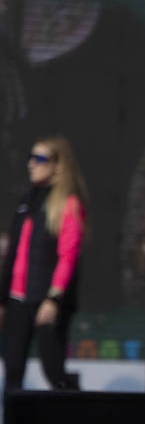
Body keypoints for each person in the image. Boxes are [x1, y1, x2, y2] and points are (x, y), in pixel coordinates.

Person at [0, 135, 87, 391]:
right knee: (13, 369)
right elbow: (14, 255)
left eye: (39, 159)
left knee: (55, 373)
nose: (31, 164)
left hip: (47, 300)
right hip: (17, 300)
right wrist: (2, 301)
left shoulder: (68, 204)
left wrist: (54, 299)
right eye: (31, 158)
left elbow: (68, 255)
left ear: (57, 165)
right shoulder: (26, 203)